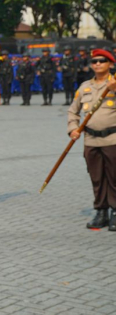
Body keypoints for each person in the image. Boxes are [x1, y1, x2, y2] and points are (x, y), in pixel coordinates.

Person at [68, 49, 116, 230]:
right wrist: (73, 128)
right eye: (94, 61)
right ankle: (101, 211)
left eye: (102, 61)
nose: (97, 64)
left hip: (112, 139)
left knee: (114, 177)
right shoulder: (85, 87)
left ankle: (115, 211)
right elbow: (73, 110)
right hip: (91, 140)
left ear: (110, 64)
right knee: (96, 177)